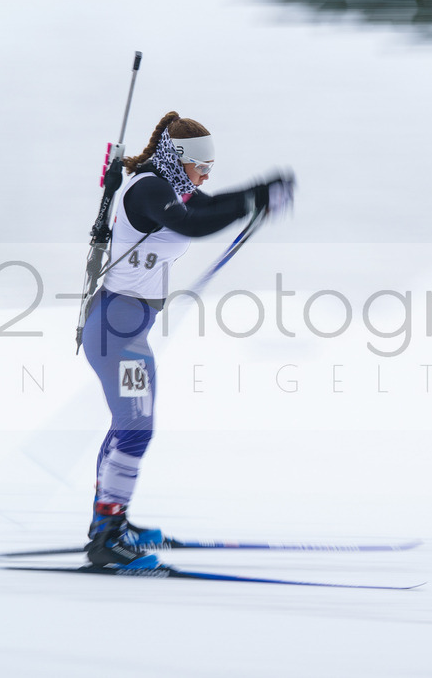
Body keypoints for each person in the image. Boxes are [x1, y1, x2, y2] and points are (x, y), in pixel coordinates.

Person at [81, 111, 294, 568]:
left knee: (130, 424)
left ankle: (110, 524)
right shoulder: (149, 189)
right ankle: (105, 539)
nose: (206, 174)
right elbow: (193, 225)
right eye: (204, 166)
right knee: (136, 427)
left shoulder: (168, 185)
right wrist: (255, 202)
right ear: (179, 158)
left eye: (211, 168)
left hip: (126, 329)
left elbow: (205, 206)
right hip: (116, 334)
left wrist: (260, 190)